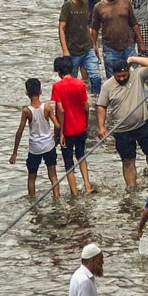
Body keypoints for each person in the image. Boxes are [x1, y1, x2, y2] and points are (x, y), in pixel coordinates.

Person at [97, 54, 148, 186]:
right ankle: (132, 189)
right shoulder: (107, 86)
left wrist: (131, 59)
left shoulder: (137, 75)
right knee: (128, 161)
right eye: (118, 76)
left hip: (143, 124)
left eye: (124, 75)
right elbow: (102, 106)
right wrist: (101, 126)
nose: (121, 78)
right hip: (122, 130)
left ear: (128, 71)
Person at [51, 55, 95, 193]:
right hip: (80, 127)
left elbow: (61, 110)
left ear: (59, 72)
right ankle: (87, 185)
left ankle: (74, 192)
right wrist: (85, 124)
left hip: (68, 130)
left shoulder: (57, 86)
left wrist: (61, 132)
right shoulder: (80, 84)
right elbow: (86, 108)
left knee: (68, 162)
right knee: (81, 155)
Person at [11, 77, 61, 198]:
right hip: (48, 145)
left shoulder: (26, 111)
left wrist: (15, 152)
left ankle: (32, 203)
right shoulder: (47, 107)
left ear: (26, 93)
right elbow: (58, 125)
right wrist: (56, 138)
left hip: (35, 148)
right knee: (53, 174)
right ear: (40, 91)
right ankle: (57, 196)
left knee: (32, 177)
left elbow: (20, 132)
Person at [91, 0, 143, 72]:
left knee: (135, 74)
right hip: (110, 48)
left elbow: (134, 23)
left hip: (128, 46)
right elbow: (94, 28)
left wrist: (141, 43)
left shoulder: (125, 3)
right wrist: (94, 46)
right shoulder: (98, 7)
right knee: (112, 77)